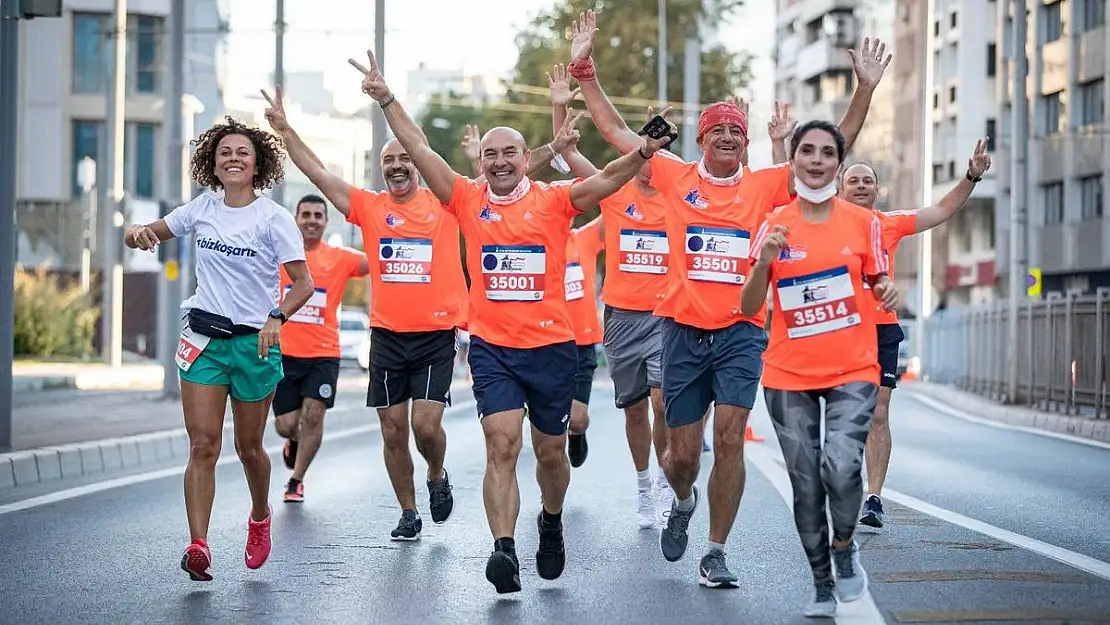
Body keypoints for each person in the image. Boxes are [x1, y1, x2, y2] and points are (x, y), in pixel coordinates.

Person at [567, 9, 889, 586]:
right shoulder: (672, 175)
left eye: (736, 130)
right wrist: (584, 68)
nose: (727, 135)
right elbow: (616, 132)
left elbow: (834, 147)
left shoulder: (767, 186)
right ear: (700, 139)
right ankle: (683, 500)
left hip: (742, 333)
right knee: (682, 458)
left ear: (746, 143)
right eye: (717, 128)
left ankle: (715, 550)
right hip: (682, 332)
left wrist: (863, 88)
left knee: (731, 437)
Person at [348, 48, 675, 593]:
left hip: (551, 350)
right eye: (490, 155)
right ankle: (503, 549)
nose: (499, 162)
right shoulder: (464, 198)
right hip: (492, 350)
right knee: (501, 444)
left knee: (550, 452)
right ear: (481, 162)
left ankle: (550, 522)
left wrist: (643, 149)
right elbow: (419, 147)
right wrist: (387, 98)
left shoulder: (554, 200)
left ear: (527, 158)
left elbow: (609, 180)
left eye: (509, 154)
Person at [262, 87, 470, 539]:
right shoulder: (370, 208)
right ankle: (408, 512)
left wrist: (387, 100)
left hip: (436, 334)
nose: (397, 167)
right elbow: (318, 173)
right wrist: (285, 131)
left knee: (424, 426)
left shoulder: (446, 202)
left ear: (417, 164)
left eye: (404, 160)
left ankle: (436, 474)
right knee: (393, 430)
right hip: (387, 338)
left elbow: (424, 146)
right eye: (388, 163)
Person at [123, 115, 313, 581]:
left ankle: (259, 517)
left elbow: (303, 285)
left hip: (254, 344)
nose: (232, 158)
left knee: (249, 448)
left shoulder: (274, 218)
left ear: (257, 164)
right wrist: (136, 233)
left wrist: (276, 317)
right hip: (204, 340)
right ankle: (199, 544)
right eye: (224, 152)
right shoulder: (201, 208)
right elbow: (148, 231)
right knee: (203, 444)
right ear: (213, 161)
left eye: (242, 153)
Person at [740, 120, 899, 617]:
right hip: (789, 373)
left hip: (854, 365)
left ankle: (845, 546)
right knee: (806, 480)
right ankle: (821, 584)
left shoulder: (863, 222)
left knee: (840, 465)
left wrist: (887, 291)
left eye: (826, 152)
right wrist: (764, 262)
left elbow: (877, 281)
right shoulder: (774, 224)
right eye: (806, 151)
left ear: (838, 160)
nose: (815, 160)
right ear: (793, 160)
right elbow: (748, 306)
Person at [839, 139, 992, 529]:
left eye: (866, 181)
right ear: (839, 189)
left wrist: (971, 176)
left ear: (876, 191)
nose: (859, 185)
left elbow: (942, 210)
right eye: (852, 180)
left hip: (881, 328)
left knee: (878, 411)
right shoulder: (823, 222)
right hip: (836, 327)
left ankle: (873, 498)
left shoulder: (888, 223)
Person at [272, 194, 369, 503]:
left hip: (324, 353)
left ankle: (296, 480)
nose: (312, 220)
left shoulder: (340, 257)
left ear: (326, 221)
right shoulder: (278, 256)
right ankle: (294, 441)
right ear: (295, 219)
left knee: (314, 416)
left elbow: (378, 260)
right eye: (306, 215)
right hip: (284, 352)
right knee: (286, 425)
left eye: (318, 215)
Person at [563, 215, 604, 467]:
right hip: (544, 344)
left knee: (576, 419)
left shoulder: (583, 238)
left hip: (582, 343)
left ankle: (576, 433)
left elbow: (615, 206)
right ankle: (551, 499)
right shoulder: (533, 243)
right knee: (549, 434)